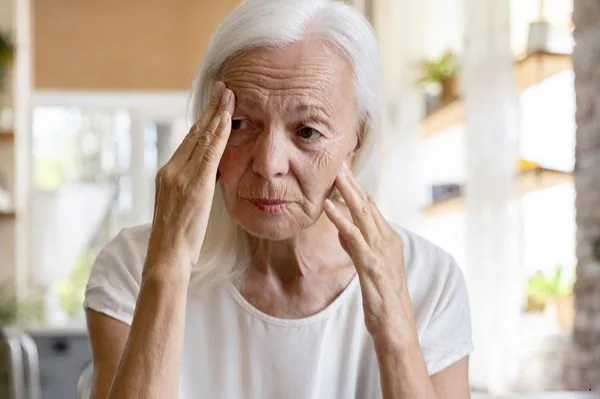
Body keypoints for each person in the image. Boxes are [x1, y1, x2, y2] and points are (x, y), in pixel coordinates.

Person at [83, 0, 473, 398]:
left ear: (359, 140)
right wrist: (168, 267)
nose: (269, 165)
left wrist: (395, 329)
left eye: (307, 131)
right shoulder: (134, 267)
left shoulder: (428, 279)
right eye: (240, 124)